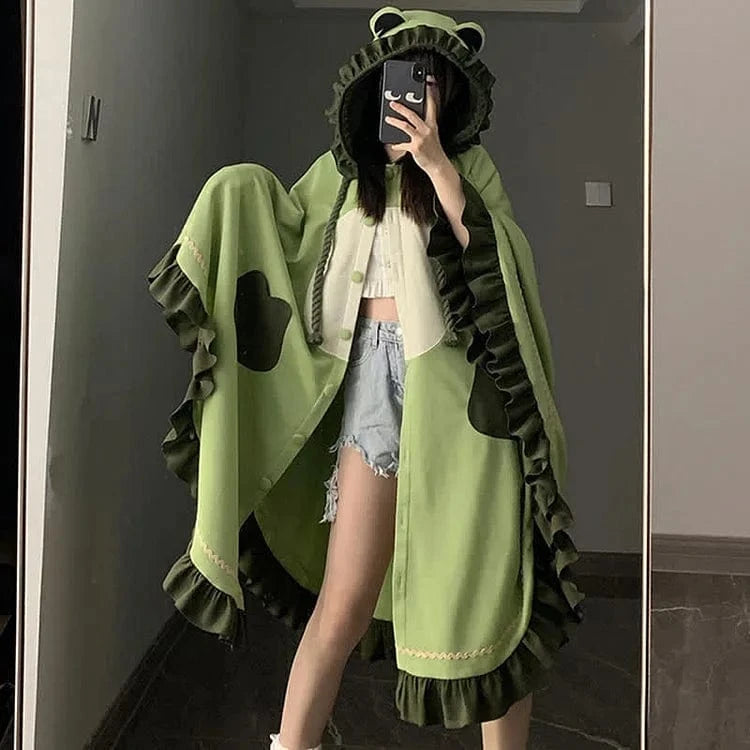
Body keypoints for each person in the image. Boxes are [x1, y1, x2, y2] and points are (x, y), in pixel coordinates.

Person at [146, 7, 585, 750]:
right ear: (379, 83)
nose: (415, 95)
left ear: (450, 93)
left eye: (431, 83)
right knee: (343, 598)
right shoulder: (343, 175)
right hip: (371, 382)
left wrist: (437, 165)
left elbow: (496, 256)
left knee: (491, 588)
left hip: (456, 394)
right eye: (404, 79)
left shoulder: (468, 169)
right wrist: (235, 192)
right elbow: (286, 241)